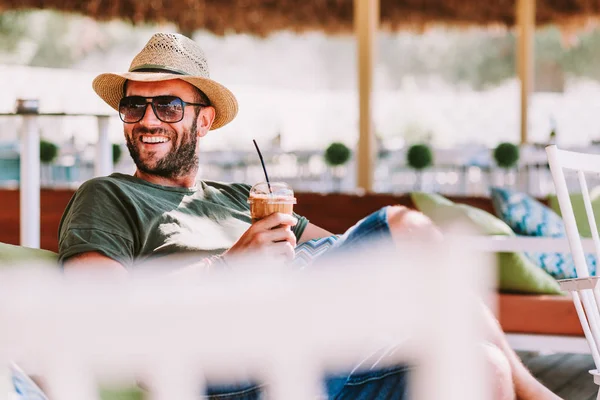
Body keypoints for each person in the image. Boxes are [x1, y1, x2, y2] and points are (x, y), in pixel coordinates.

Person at [58, 33, 559, 400]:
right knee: (407, 227)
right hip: (220, 361)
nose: (147, 120)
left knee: (479, 366)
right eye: (135, 106)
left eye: (167, 106)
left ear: (203, 119)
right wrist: (229, 268)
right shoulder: (107, 196)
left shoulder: (241, 198)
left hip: (314, 346)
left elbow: (347, 256)